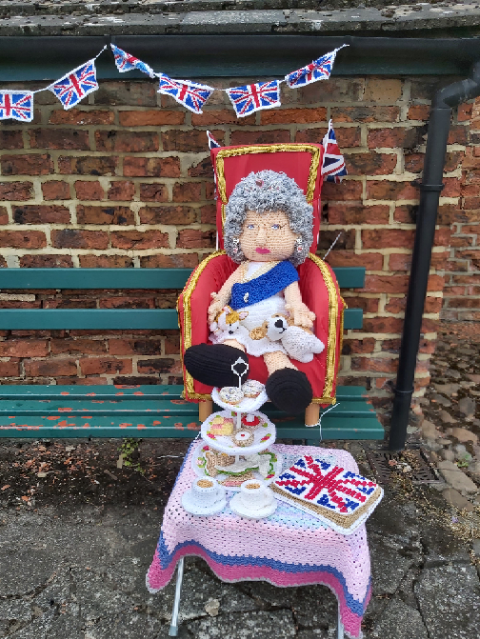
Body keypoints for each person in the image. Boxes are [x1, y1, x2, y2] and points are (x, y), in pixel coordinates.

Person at [184, 169, 322, 414]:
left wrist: (297, 308)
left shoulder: (284, 270)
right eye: (250, 226)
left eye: (276, 226)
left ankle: (288, 386)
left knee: (275, 355)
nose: (260, 238)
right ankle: (224, 367)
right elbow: (226, 290)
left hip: (271, 329)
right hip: (239, 324)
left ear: (296, 233)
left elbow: (293, 300)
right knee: (231, 344)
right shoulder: (243, 267)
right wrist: (219, 302)